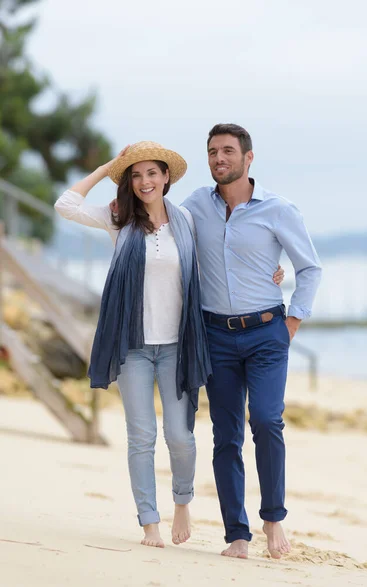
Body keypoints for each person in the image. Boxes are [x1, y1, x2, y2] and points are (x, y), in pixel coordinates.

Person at [54, 139, 286, 550]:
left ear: (165, 178)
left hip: (178, 345)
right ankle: (149, 523)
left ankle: (182, 502)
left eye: (152, 173)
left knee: (180, 435)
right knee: (141, 435)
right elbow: (65, 205)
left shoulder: (187, 220)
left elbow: (224, 254)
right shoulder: (117, 220)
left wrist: (272, 270)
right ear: (129, 181)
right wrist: (112, 164)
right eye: (136, 174)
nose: (145, 181)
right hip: (133, 347)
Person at [182, 123, 322, 560]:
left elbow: (310, 268)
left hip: (266, 334)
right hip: (215, 335)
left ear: (248, 157)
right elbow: (159, 226)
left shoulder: (278, 210)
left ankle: (273, 518)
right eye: (212, 152)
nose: (218, 158)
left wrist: (293, 321)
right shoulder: (194, 207)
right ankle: (236, 534)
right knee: (225, 435)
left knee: (265, 420)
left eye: (227, 150)